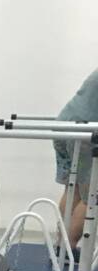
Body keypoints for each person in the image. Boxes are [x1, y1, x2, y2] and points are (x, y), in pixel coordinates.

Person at [53, 68, 98, 249]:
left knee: (74, 187)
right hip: (88, 134)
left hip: (64, 126)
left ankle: (61, 246)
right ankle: (69, 247)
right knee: (92, 195)